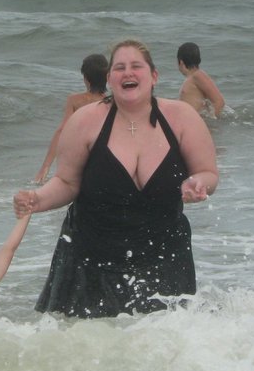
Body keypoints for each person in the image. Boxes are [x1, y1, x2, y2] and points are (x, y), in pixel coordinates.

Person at [14, 38, 218, 318]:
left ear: (154, 76)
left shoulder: (182, 118)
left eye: (136, 66)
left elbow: (208, 173)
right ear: (109, 79)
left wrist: (198, 184)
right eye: (119, 68)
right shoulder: (85, 121)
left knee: (165, 339)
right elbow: (67, 183)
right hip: (91, 258)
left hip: (164, 254)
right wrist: (37, 199)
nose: (127, 73)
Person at [34, 54, 108, 184]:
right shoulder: (111, 102)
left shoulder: (75, 100)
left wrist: (45, 166)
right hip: (104, 158)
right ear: (107, 77)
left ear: (86, 78)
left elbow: (62, 131)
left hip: (79, 157)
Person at [176, 42, 225, 118]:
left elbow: (219, 101)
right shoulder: (192, 78)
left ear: (181, 62)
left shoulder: (198, 75)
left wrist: (206, 123)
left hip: (196, 123)